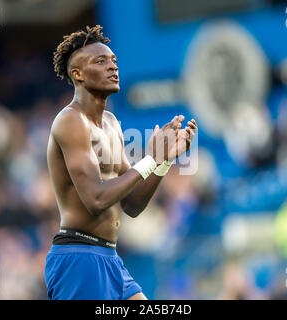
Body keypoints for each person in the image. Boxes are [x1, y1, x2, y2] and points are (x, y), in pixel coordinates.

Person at [44, 25, 197, 300]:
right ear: (77, 74)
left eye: (113, 61)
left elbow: (132, 204)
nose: (112, 67)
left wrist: (163, 161)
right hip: (80, 259)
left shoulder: (112, 124)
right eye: (100, 62)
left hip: (109, 258)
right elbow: (97, 199)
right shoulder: (70, 121)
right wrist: (151, 158)